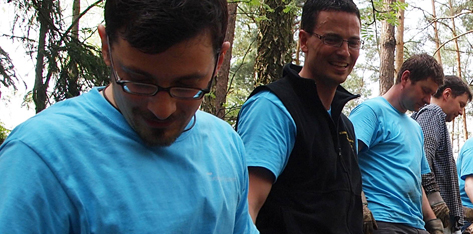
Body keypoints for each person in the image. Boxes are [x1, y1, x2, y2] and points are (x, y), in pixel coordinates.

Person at [0, 0, 255, 232]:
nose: (162, 109)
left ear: (220, 59)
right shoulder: (39, 157)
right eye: (139, 82)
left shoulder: (226, 145)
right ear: (106, 47)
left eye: (187, 86)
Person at [237, 0, 364, 232]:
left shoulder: (345, 126)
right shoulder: (274, 108)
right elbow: (245, 208)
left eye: (353, 42)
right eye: (332, 39)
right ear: (304, 41)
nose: (345, 52)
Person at [350, 54, 444, 234]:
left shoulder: (415, 128)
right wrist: (359, 203)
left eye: (432, 94)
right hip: (381, 221)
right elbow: (344, 159)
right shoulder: (371, 112)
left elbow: (416, 179)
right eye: (425, 90)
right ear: (405, 78)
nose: (428, 100)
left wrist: (432, 220)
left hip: (415, 224)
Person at [412, 75, 473, 232]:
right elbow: (422, 158)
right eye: (461, 104)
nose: (460, 112)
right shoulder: (433, 112)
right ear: (447, 94)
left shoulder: (431, 116)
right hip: (434, 216)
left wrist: (463, 211)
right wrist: (435, 203)